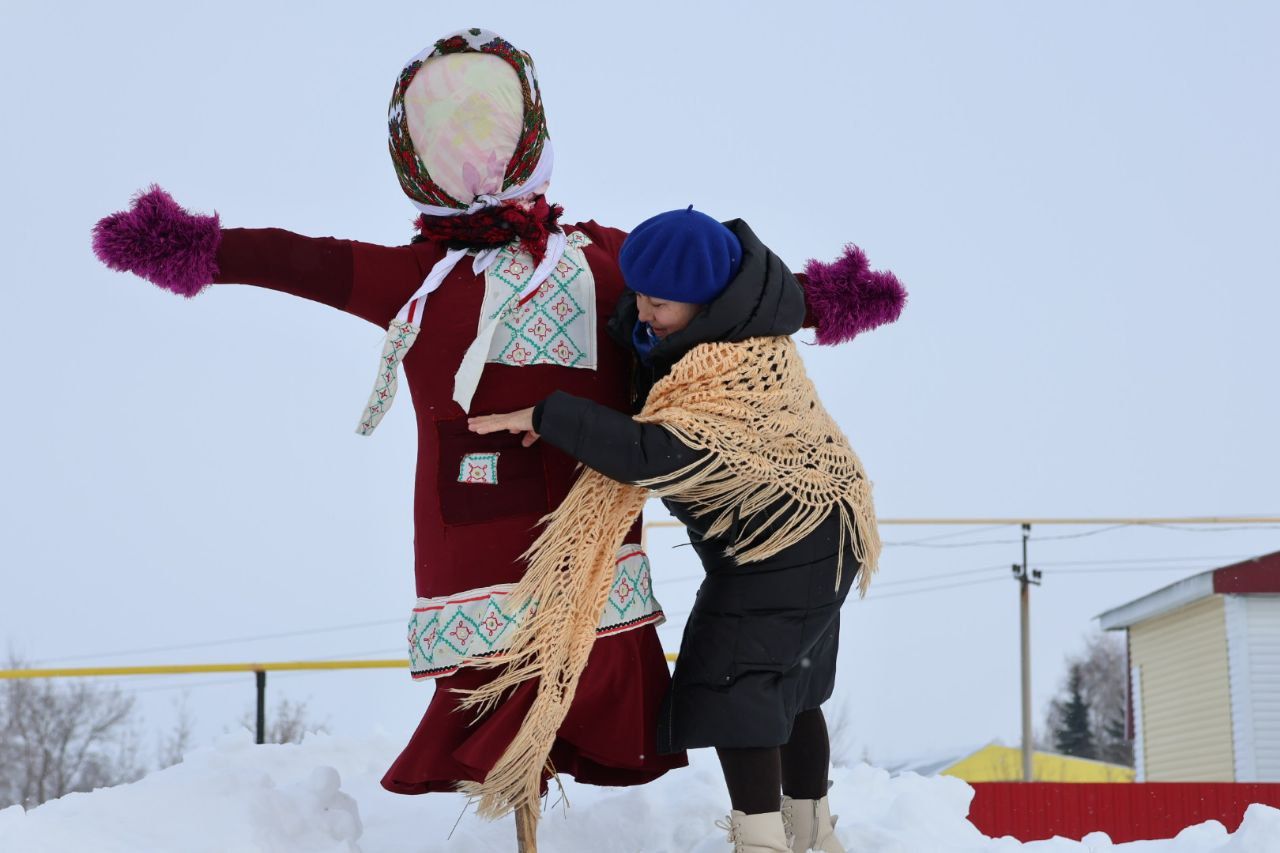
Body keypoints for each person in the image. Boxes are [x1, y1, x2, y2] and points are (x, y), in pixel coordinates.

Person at [89, 28, 687, 830]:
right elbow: (723, 288)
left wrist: (195, 246)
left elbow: (298, 260)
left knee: (516, 683)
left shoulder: (437, 277)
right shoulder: (609, 262)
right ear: (536, 137)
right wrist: (817, 296)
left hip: (511, 523)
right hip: (571, 523)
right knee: (554, 675)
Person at [468, 206, 905, 852]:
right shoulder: (733, 313)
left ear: (704, 301)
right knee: (792, 681)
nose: (643, 310)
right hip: (824, 532)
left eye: (660, 302)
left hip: (787, 543)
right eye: (639, 292)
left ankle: (763, 841)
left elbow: (656, 453)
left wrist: (549, 412)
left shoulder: (732, 370)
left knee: (736, 684)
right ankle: (813, 834)